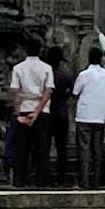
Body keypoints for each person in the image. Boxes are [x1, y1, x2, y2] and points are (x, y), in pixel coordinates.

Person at [8, 35, 54, 188]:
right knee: (41, 146)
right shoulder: (47, 68)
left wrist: (17, 113)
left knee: (23, 147)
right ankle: (42, 180)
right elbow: (48, 92)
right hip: (41, 109)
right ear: (40, 50)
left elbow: (15, 91)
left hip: (24, 107)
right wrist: (37, 111)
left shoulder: (18, 68)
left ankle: (21, 178)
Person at [71, 44, 105, 190]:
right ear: (101, 59)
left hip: (84, 116)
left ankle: (84, 180)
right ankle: (96, 180)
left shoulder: (84, 75)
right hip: (99, 116)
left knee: (84, 149)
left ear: (88, 58)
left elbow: (75, 92)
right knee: (97, 149)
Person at [46, 44, 75, 185]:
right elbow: (71, 91)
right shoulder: (65, 75)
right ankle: (61, 177)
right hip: (62, 113)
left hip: (46, 112)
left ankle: (44, 176)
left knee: (44, 145)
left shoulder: (45, 74)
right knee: (61, 147)